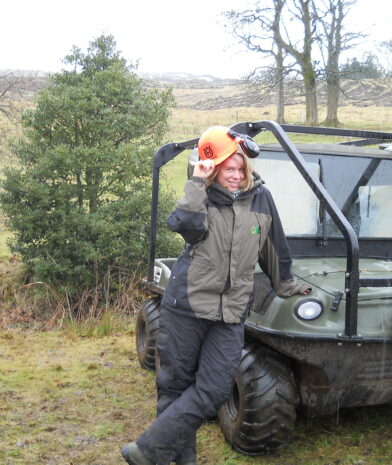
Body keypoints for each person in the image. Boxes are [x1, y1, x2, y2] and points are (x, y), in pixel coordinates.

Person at [121, 126, 310, 465]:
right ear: (215, 169)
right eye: (228, 169)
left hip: (231, 314)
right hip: (187, 307)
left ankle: (149, 450)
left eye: (240, 169)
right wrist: (197, 180)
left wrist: (288, 287)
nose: (236, 175)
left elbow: (273, 249)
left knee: (214, 390)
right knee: (175, 386)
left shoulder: (261, 199)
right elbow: (185, 226)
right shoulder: (202, 195)